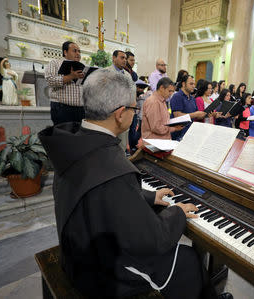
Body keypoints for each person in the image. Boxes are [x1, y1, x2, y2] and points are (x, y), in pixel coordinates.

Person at [38, 68, 221, 299]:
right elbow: (153, 239)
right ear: (120, 113)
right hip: (103, 274)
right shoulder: (111, 167)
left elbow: (100, 196)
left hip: (78, 252)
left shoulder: (73, 143)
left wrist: (149, 196)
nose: (135, 114)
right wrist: (177, 212)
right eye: (135, 109)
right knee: (188, 259)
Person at [45, 41, 84, 125]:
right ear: (65, 52)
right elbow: (50, 81)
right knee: (63, 136)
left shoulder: (82, 67)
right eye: (74, 51)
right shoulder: (55, 63)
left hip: (80, 110)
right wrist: (71, 76)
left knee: (79, 137)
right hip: (62, 109)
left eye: (79, 51)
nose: (78, 53)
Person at [106, 50, 132, 153]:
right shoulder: (105, 72)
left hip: (124, 112)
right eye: (122, 58)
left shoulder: (128, 75)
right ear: (114, 58)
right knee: (109, 141)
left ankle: (121, 165)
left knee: (122, 143)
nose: (125, 60)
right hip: (110, 113)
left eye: (125, 58)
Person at [170, 75, 206, 140]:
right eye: (191, 84)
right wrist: (195, 114)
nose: (194, 86)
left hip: (189, 133)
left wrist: (206, 114)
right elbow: (177, 115)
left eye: (194, 84)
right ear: (183, 84)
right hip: (178, 134)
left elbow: (197, 116)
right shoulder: (177, 96)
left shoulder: (192, 98)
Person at [128, 79, 149, 153]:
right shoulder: (131, 95)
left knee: (133, 130)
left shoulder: (141, 96)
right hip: (131, 115)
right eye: (140, 88)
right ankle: (131, 147)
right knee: (131, 131)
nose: (141, 90)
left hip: (136, 115)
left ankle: (133, 146)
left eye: (143, 88)